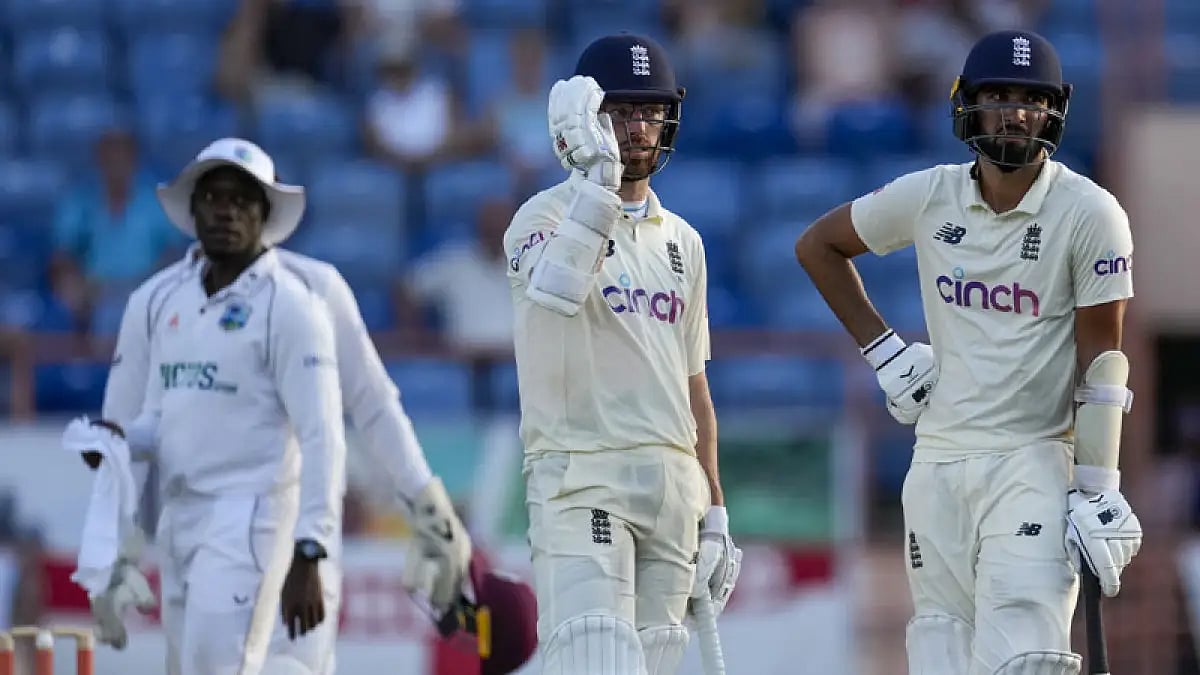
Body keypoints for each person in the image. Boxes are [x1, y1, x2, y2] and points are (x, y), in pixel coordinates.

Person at [793, 30, 1144, 675]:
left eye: (1029, 100)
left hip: (1033, 462)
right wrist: (884, 350)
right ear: (967, 106)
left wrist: (1098, 485)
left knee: (1025, 659)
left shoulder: (1091, 213)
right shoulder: (931, 195)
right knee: (940, 656)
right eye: (998, 97)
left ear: (1055, 111)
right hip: (937, 468)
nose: (1013, 113)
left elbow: (1103, 368)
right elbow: (818, 246)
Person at [72, 138, 487, 675]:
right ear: (193, 206)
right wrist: (117, 544)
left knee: (294, 666)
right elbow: (123, 429)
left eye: (242, 198)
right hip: (185, 519)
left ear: (267, 211)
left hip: (279, 519)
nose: (226, 210)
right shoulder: (154, 301)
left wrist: (429, 509)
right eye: (214, 197)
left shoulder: (313, 290)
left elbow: (371, 404)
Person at [503, 33, 742, 674]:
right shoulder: (538, 218)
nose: (638, 127)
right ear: (584, 116)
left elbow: (694, 387)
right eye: (621, 111)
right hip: (581, 477)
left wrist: (715, 506)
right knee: (593, 660)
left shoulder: (683, 242)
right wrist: (598, 189)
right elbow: (555, 290)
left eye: (651, 111)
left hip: (672, 490)